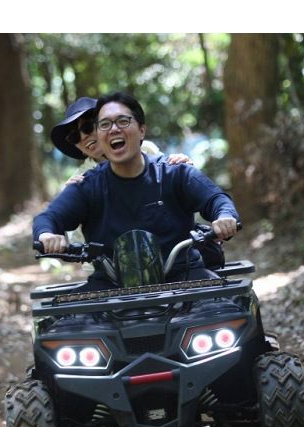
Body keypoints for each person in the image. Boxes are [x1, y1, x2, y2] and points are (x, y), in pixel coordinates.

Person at [34, 91, 239, 290]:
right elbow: (49, 218)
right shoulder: (85, 185)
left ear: (142, 129)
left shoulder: (174, 171)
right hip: (111, 285)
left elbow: (216, 199)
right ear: (100, 134)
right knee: (62, 324)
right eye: (105, 124)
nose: (114, 129)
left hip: (183, 277)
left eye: (122, 121)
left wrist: (224, 216)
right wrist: (46, 235)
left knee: (230, 312)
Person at [50, 96, 191, 186]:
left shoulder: (146, 150)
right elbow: (76, 232)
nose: (83, 137)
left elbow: (168, 178)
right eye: (75, 137)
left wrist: (180, 166)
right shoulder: (80, 180)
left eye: (87, 128)